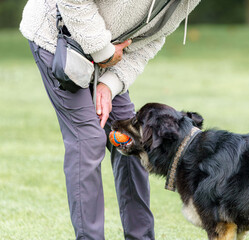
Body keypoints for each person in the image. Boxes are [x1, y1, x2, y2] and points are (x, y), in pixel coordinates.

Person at [20, 0, 201, 239]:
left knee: (133, 138)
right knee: (88, 139)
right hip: (58, 40)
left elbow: (153, 38)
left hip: (107, 56)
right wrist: (103, 51)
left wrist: (109, 83)